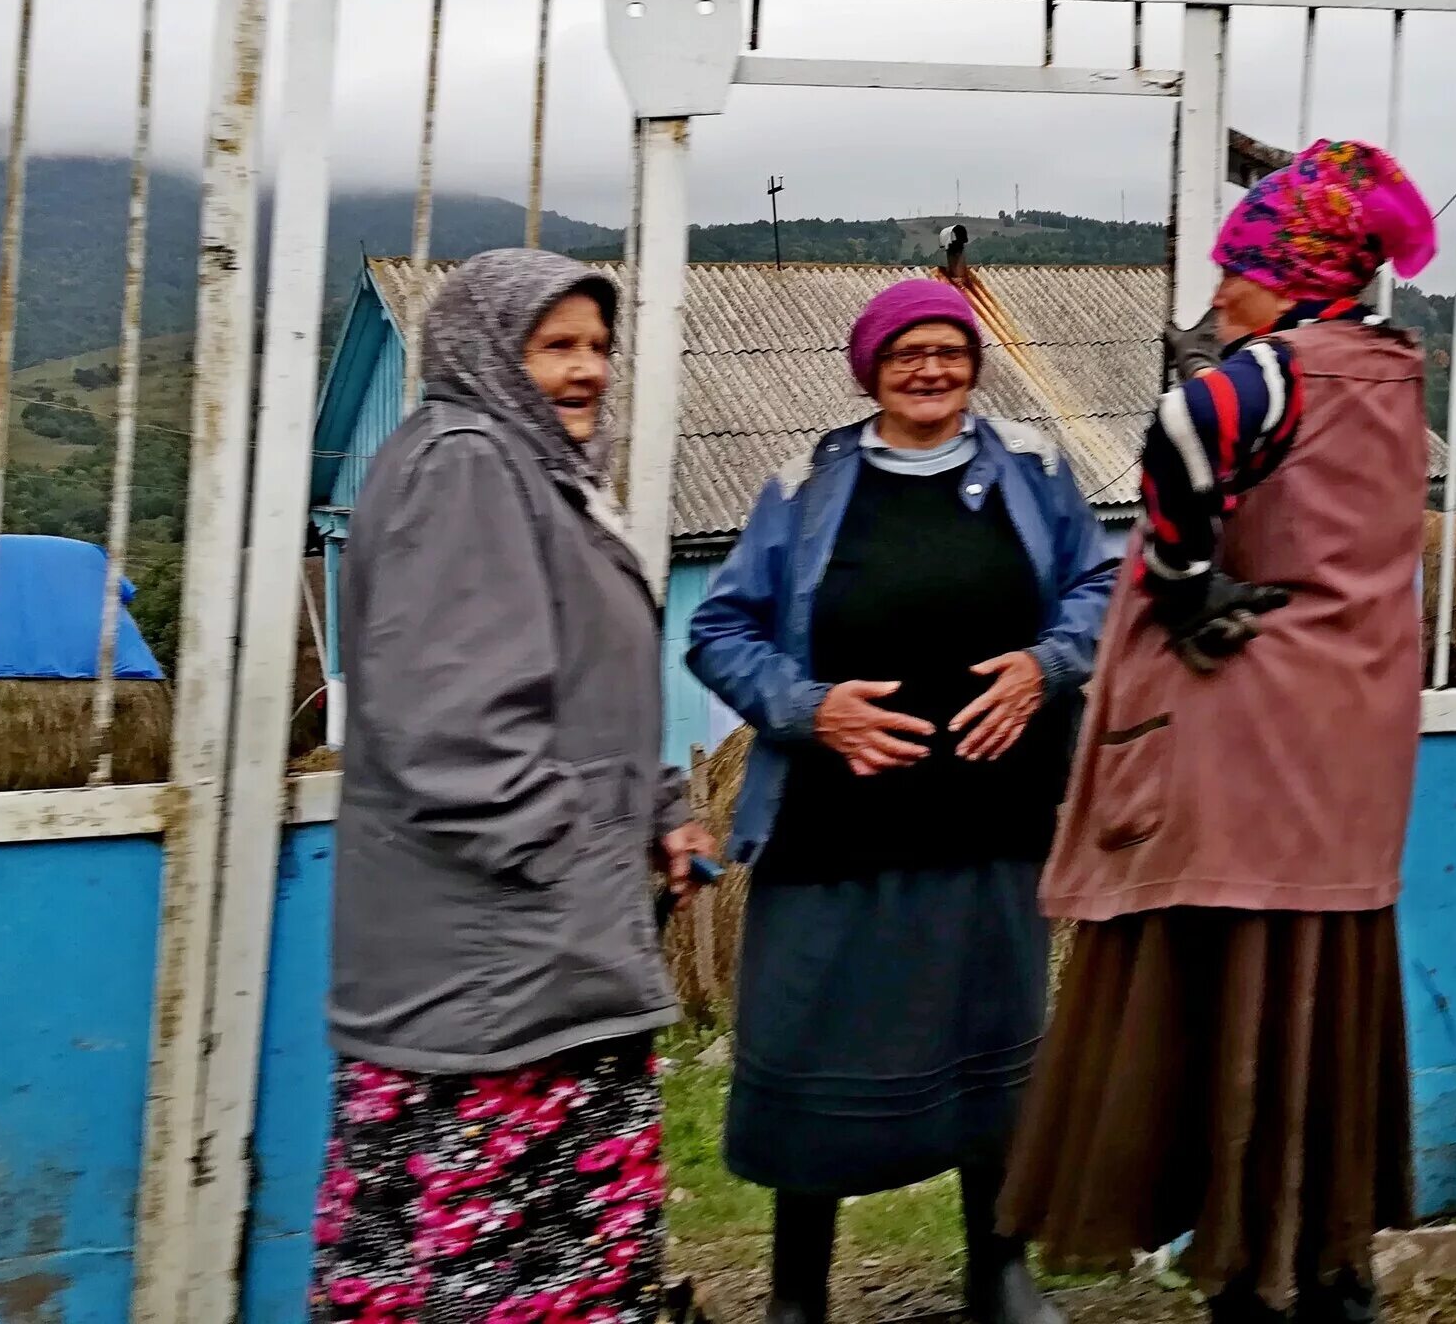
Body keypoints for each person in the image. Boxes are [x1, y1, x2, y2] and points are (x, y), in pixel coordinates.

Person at [998, 140, 1441, 1324]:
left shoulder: (1280, 369)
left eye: (1237, 270)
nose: (1221, 296)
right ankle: (1324, 1266)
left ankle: (1251, 1275)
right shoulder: (1394, 373)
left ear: (1292, 272)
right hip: (1350, 747)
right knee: (1319, 996)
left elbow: (1184, 429)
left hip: (1257, 744)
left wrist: (1186, 577)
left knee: (1238, 989)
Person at [688, 277, 1117, 1324]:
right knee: (811, 1049)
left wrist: (1046, 667)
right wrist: (811, 707)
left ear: (976, 363)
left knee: (993, 1045)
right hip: (839, 829)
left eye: (951, 351)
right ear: (869, 367)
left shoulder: (1033, 470)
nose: (931, 370)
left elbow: (1101, 590)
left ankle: (998, 1270)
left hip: (990, 820)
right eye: (905, 353)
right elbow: (719, 629)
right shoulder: (807, 485)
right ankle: (799, 1297)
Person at [315, 249, 714, 1324]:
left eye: (598, 346)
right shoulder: (466, 466)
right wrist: (583, 858)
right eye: (556, 346)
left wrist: (660, 812)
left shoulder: (530, 471)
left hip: (532, 972)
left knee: (539, 1280)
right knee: (490, 1284)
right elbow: (455, 735)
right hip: (496, 981)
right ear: (488, 351)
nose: (587, 370)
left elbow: (580, 692)